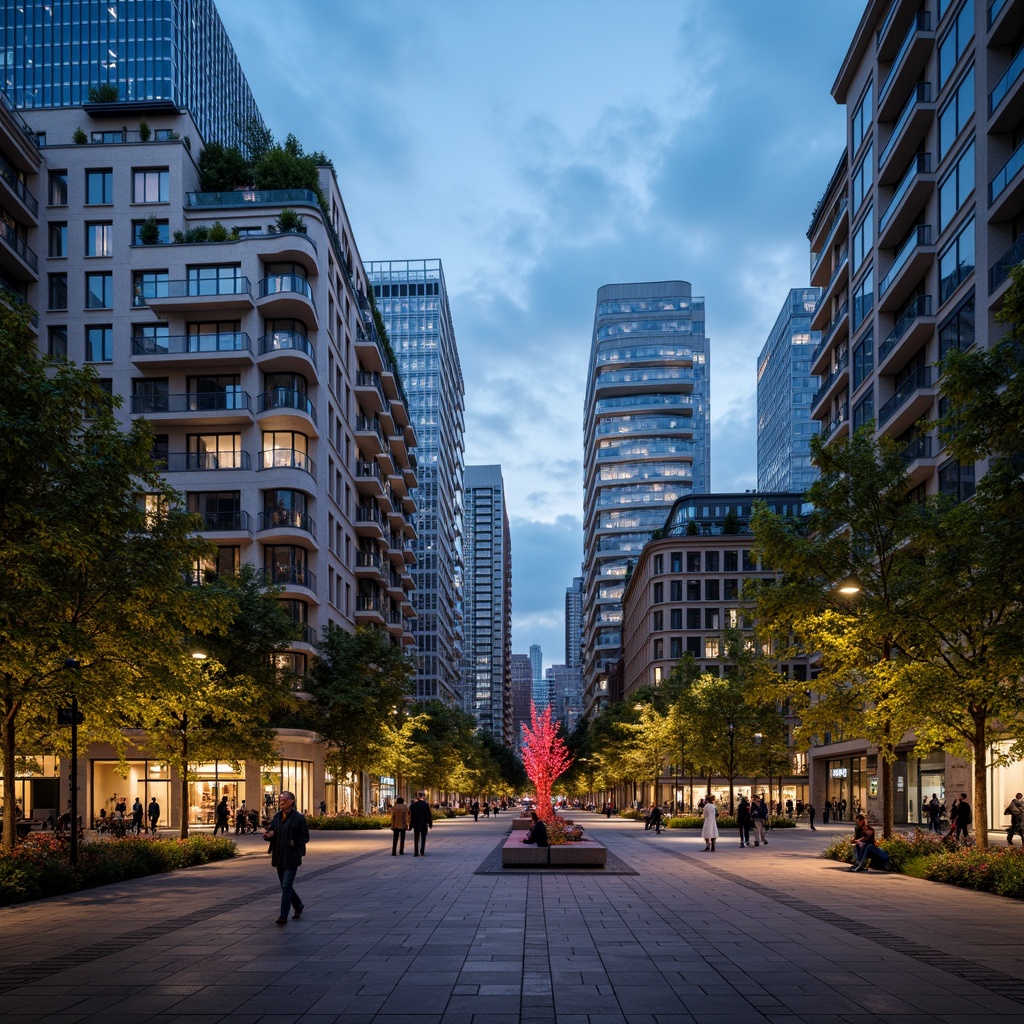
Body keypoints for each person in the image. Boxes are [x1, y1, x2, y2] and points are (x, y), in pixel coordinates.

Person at [263, 791, 309, 924]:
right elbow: (273, 832)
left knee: (287, 885)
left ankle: (283, 915)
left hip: (292, 856)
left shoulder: (298, 818)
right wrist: (268, 835)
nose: (280, 801)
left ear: (291, 801)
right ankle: (298, 905)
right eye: (279, 799)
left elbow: (305, 837)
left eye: (283, 799)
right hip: (279, 856)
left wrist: (295, 843)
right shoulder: (277, 816)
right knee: (285, 886)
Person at [409, 791, 433, 856]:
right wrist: (430, 823)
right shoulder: (425, 805)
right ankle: (422, 851)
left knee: (416, 838)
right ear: (423, 797)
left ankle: (416, 852)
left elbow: (411, 816)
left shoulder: (413, 805)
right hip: (423, 823)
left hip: (416, 823)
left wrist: (410, 825)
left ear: (417, 797)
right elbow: (428, 815)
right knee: (423, 838)